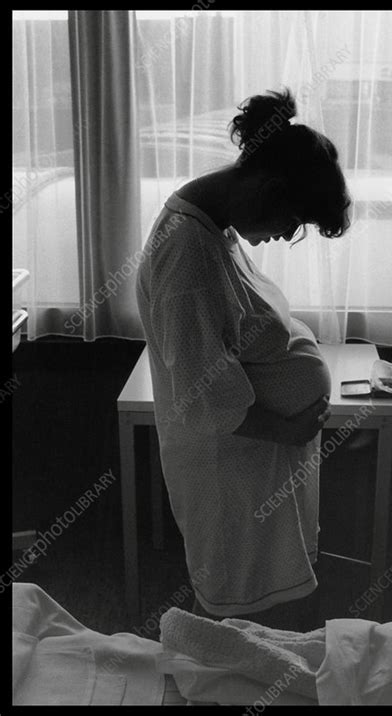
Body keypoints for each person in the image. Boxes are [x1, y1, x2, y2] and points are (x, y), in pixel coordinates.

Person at [135, 87, 351, 631]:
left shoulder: (214, 229)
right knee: (239, 621)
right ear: (269, 188)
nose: (283, 234)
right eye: (293, 221)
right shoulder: (188, 255)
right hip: (229, 471)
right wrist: (291, 427)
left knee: (268, 613)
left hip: (256, 461)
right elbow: (203, 398)